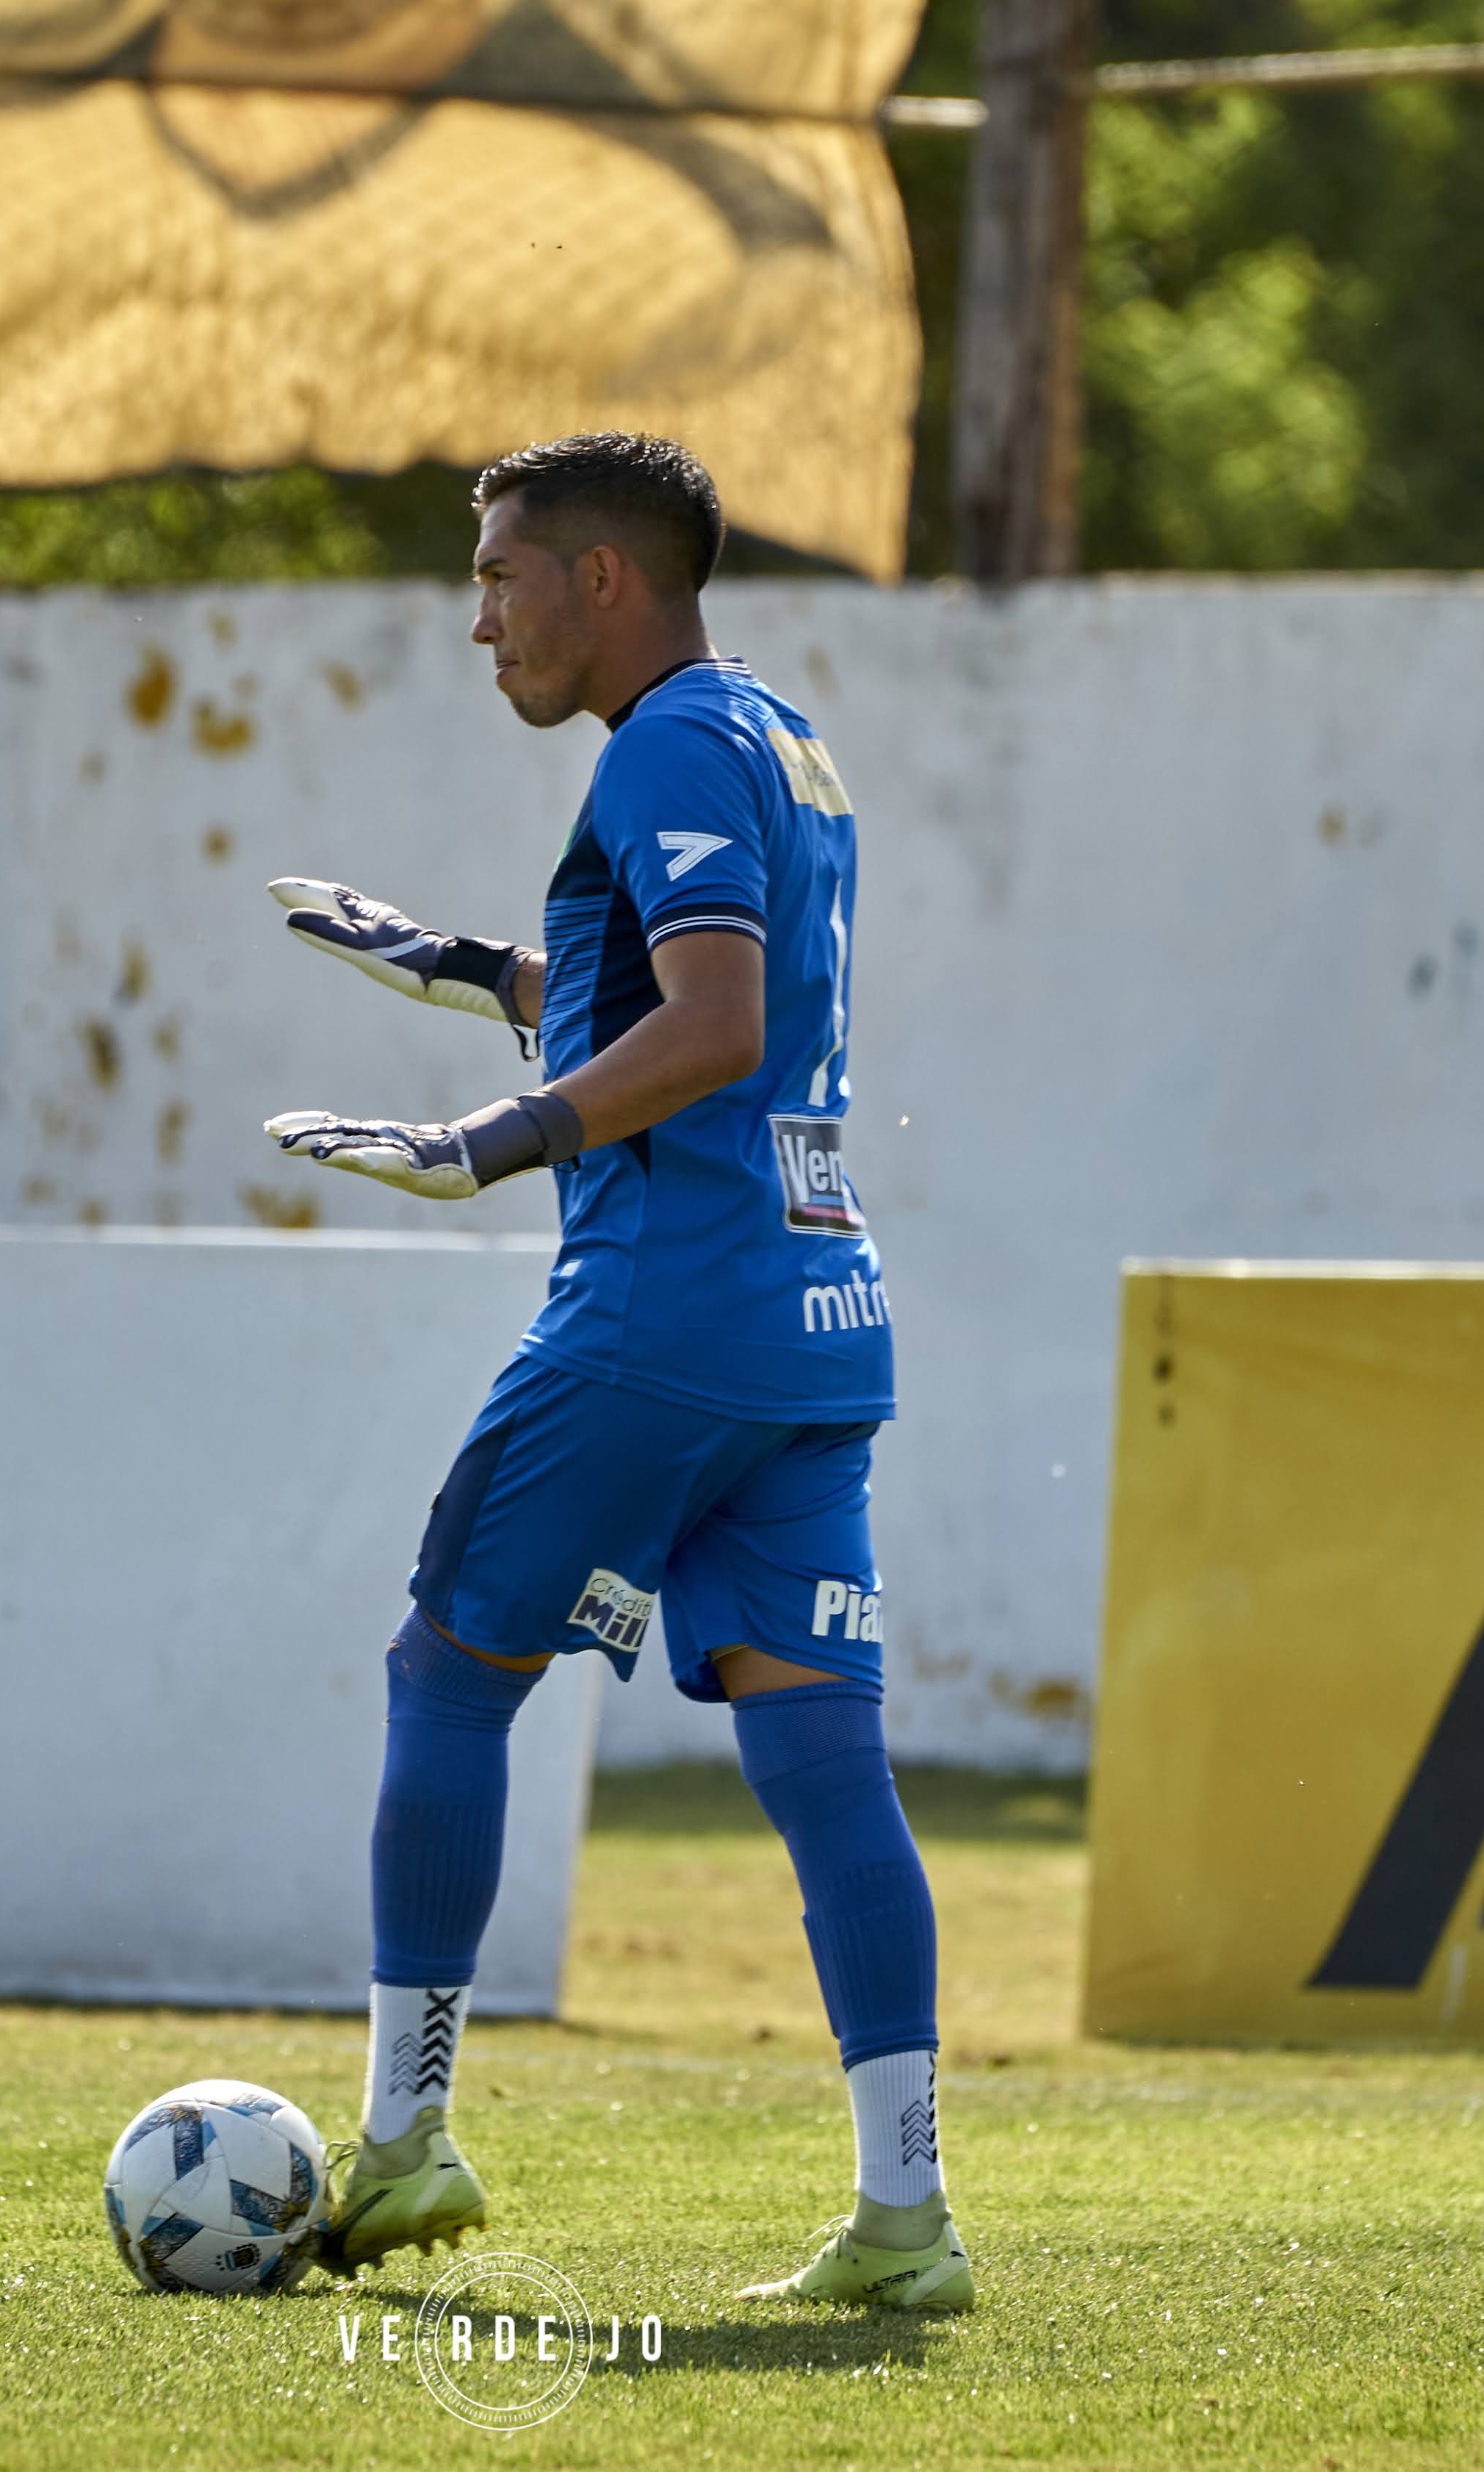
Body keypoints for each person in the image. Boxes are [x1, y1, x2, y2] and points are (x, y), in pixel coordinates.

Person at [257, 431, 968, 2313]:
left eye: (500, 574)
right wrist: (455, 961)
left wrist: (481, 1143)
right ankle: (907, 2215)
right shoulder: (771, 737)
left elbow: (712, 1029)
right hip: (817, 1319)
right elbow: (699, 988)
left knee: (450, 1663)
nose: (475, 616)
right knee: (821, 1751)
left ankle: (404, 2140)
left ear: (601, 581)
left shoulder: (656, 745)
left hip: (664, 1312)